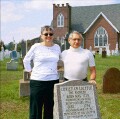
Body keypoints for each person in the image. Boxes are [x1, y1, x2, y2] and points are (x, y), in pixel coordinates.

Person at [23, 25, 61, 119]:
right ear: (41, 35)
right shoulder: (36, 47)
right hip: (38, 81)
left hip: (53, 81)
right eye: (46, 34)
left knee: (50, 107)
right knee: (36, 108)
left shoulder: (57, 47)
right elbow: (26, 60)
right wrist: (30, 71)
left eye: (51, 34)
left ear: (53, 35)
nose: (48, 36)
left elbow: (59, 60)